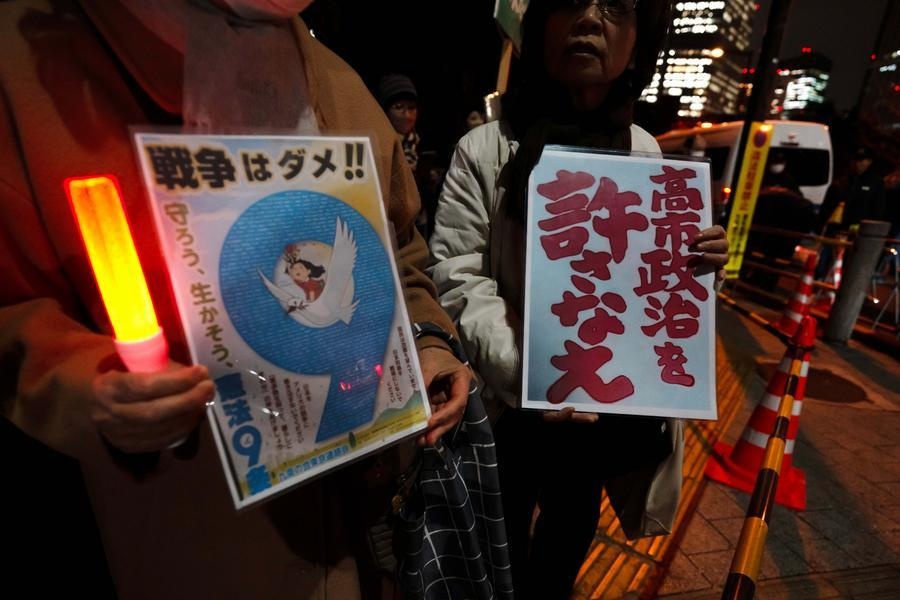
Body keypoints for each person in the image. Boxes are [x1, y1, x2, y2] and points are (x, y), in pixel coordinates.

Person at [0, 1, 473, 598]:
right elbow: (13, 311)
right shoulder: (30, 69)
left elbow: (400, 243)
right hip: (194, 539)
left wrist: (428, 335)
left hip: (371, 508)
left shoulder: (331, 75)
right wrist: (86, 383)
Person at [427, 0, 729, 598]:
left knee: (570, 533)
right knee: (500, 537)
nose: (590, 20)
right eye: (569, 2)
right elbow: (459, 274)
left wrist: (699, 263)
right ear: (540, 29)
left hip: (602, 410)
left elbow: (653, 286)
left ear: (639, 44)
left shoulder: (645, 152)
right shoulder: (486, 147)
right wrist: (532, 374)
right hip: (509, 404)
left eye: (616, 6)